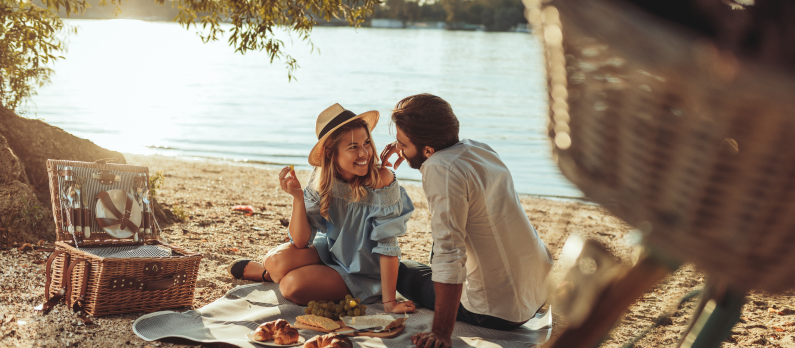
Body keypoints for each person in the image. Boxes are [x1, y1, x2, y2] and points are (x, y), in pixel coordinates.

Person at [380, 94, 554, 348]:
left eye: (403, 145)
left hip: (498, 310)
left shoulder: (440, 169)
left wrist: (440, 332)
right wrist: (408, 147)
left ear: (428, 150)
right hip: (537, 288)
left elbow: (449, 254)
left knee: (399, 271)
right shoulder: (478, 149)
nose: (400, 151)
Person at [228, 103, 416, 314]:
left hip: (366, 272)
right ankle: (268, 273)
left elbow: (388, 245)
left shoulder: (382, 180)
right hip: (334, 251)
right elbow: (300, 241)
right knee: (273, 261)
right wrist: (297, 198)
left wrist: (389, 303)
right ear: (330, 153)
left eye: (366, 143)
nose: (364, 153)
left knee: (291, 286)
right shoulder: (322, 179)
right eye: (353, 147)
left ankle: (273, 276)